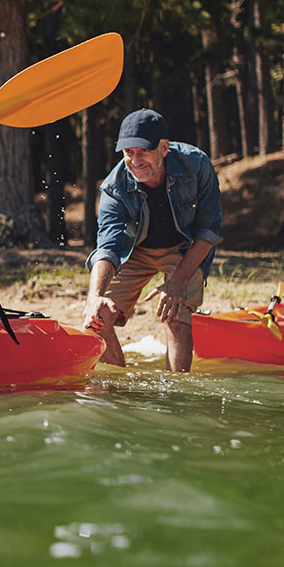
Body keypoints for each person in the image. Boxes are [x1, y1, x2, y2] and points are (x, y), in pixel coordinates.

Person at [82, 107, 222, 372]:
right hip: (133, 251)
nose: (135, 160)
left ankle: (177, 395)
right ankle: (124, 395)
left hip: (184, 248)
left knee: (176, 316)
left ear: (164, 147)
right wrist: (94, 297)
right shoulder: (114, 186)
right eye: (128, 152)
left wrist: (178, 282)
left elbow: (209, 230)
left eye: (143, 150)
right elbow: (108, 247)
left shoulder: (197, 165)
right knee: (96, 319)